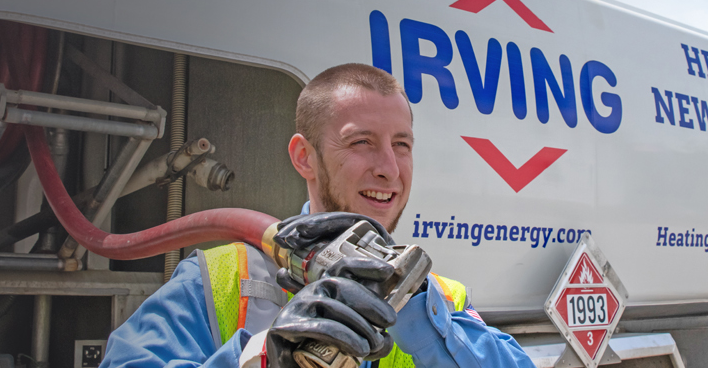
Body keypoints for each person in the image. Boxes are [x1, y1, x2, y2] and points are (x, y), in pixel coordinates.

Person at [101, 64, 534, 368]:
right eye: (362, 141)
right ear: (304, 157)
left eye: (402, 144)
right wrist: (260, 360)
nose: (390, 167)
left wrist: (419, 318)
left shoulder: (439, 298)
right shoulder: (218, 280)